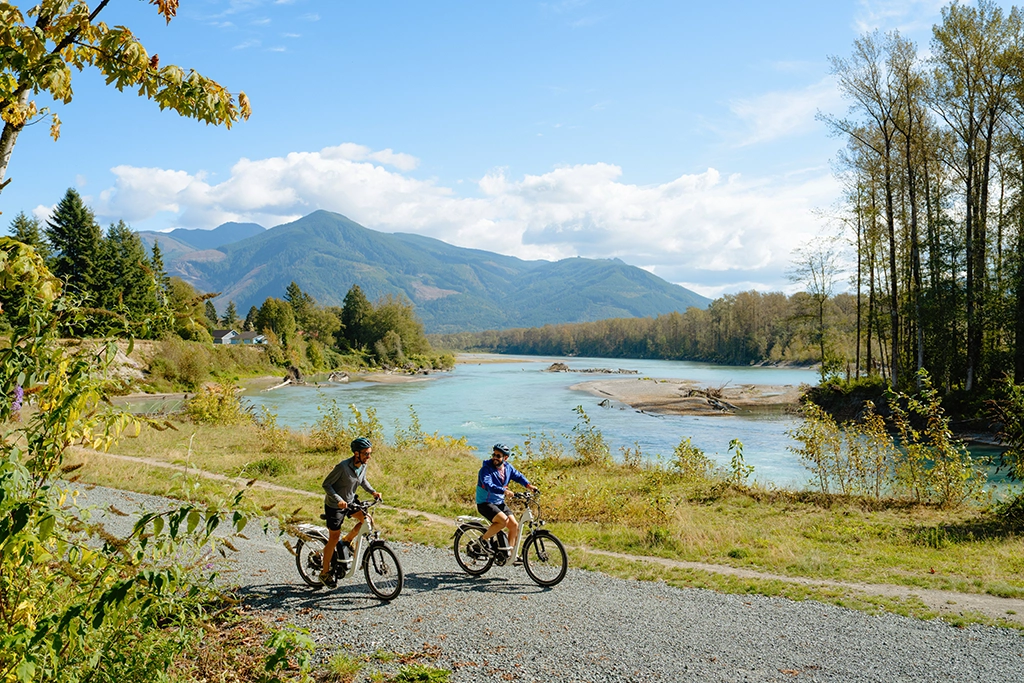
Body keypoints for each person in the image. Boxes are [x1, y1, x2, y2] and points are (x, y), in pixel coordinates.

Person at [320, 436, 382, 587]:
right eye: (366, 453)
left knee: (367, 520)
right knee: (333, 538)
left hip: (351, 501)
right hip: (335, 505)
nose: (369, 456)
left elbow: (362, 481)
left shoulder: (362, 465)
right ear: (356, 453)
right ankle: (324, 572)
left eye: (369, 453)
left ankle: (347, 541)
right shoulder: (342, 467)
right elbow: (326, 484)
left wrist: (373, 492)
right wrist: (338, 500)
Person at [475, 443, 537, 561]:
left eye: (498, 456)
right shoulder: (485, 469)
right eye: (494, 454)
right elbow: (488, 485)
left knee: (514, 526)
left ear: (505, 458)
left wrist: (529, 486)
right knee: (503, 522)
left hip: (498, 502)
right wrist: (504, 491)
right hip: (485, 503)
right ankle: (481, 541)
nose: (495, 457)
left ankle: (510, 554)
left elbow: (518, 476)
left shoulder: (507, 468)